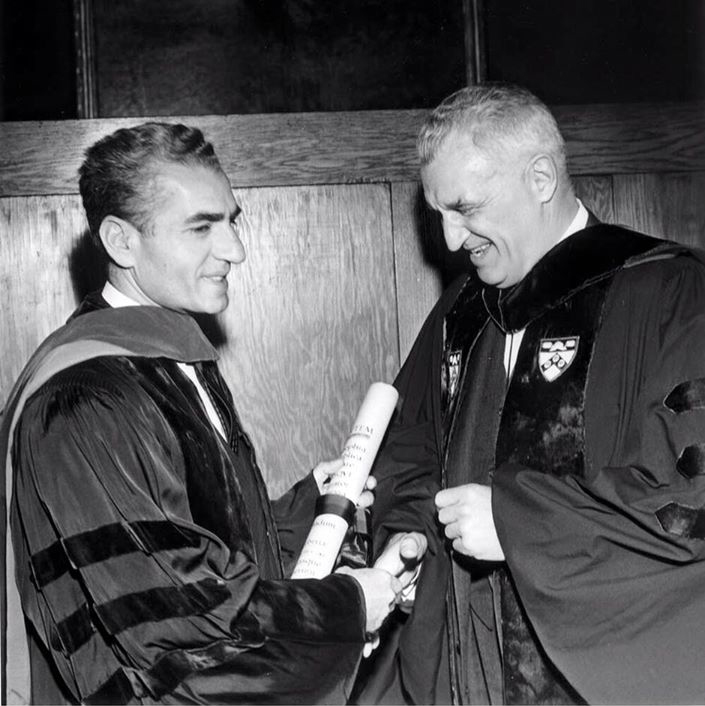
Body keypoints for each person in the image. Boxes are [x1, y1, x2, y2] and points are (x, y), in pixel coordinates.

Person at [1, 122, 406, 705]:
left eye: (232, 221)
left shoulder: (167, 358)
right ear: (120, 242)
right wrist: (348, 606)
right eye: (201, 227)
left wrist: (305, 513)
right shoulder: (84, 401)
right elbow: (173, 620)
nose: (234, 250)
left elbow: (185, 539)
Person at [356, 82, 705, 705]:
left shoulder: (669, 294)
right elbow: (410, 445)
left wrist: (516, 523)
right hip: (473, 671)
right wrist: (408, 538)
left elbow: (689, 500)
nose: (451, 240)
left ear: (540, 178)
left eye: (465, 208)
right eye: (439, 214)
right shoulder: (461, 312)